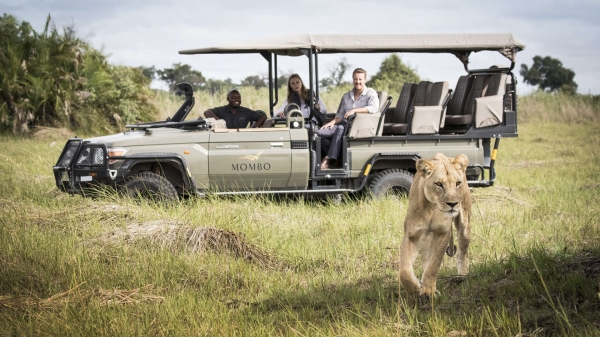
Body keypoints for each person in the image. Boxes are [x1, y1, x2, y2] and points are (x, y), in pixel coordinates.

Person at [316, 68, 379, 169]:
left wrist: (354, 110)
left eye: (360, 79)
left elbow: (374, 108)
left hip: (359, 126)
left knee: (340, 129)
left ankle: (328, 159)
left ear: (365, 79)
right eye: (355, 79)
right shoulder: (346, 96)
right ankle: (338, 156)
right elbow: (340, 114)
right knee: (319, 133)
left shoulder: (371, 93)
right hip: (344, 124)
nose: (357, 82)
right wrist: (331, 122)